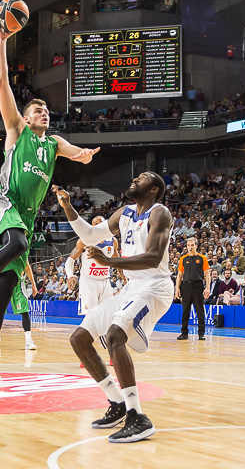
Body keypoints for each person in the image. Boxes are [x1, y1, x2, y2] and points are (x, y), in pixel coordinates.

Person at [0, 19, 99, 401]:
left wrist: (86, 155)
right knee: (14, 244)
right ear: (26, 118)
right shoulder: (17, 130)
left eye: (46, 111)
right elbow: (1, 83)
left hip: (25, 215)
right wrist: (0, 41)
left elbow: (77, 155)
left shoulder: (53, 143)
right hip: (3, 202)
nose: (43, 113)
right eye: (37, 111)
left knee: (7, 287)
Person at [60, 172, 172, 443]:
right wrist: (68, 208)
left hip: (155, 286)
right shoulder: (124, 213)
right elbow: (88, 234)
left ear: (154, 189)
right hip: (132, 287)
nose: (135, 178)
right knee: (79, 339)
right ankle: (117, 401)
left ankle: (138, 416)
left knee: (114, 335)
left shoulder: (160, 213)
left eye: (143, 177)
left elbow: (154, 257)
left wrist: (111, 263)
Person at [65, 216, 122, 315]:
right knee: (90, 316)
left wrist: (124, 277)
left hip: (105, 280)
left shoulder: (113, 241)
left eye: (101, 223)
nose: (99, 226)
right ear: (92, 226)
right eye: (96, 224)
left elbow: (118, 261)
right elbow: (71, 259)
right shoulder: (84, 240)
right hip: (89, 281)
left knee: (107, 315)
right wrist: (70, 275)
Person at [176, 237, 211, 340]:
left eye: (192, 245)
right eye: (188, 245)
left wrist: (208, 287)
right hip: (186, 286)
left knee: (200, 311)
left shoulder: (202, 258)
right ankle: (184, 333)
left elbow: (207, 273)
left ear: (196, 246)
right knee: (185, 310)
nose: (190, 247)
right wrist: (177, 288)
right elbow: (179, 274)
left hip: (198, 286)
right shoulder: (183, 258)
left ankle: (201, 333)